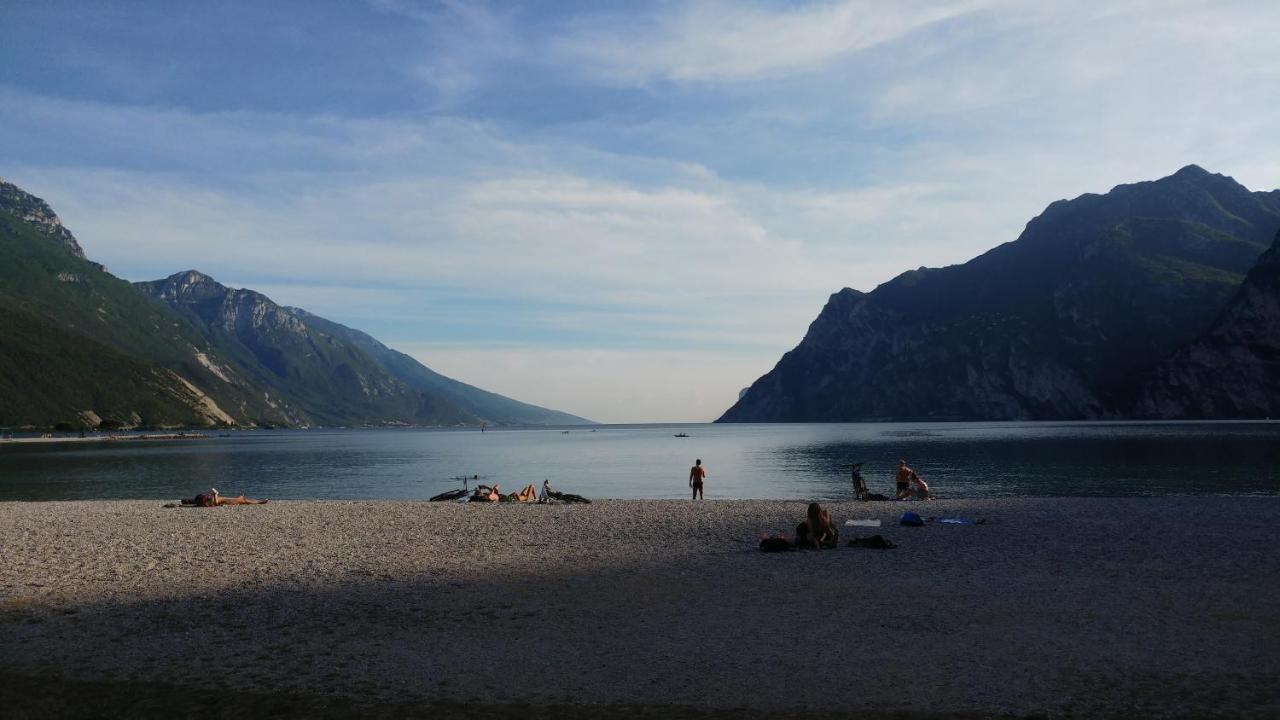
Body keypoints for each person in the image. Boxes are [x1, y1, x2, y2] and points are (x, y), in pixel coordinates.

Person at [180, 488, 268, 507]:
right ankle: (260, 502)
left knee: (242, 500)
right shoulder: (206, 500)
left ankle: (259, 501)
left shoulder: (200, 502)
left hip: (225, 501)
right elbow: (216, 502)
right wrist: (215, 493)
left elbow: (215, 502)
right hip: (225, 501)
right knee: (244, 500)